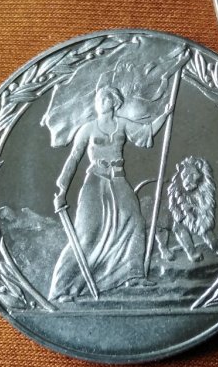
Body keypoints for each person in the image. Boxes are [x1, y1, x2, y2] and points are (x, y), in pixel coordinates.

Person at [49, 84, 171, 302]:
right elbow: (73, 158)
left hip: (118, 180)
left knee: (135, 222)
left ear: (114, 102)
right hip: (95, 182)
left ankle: (134, 276)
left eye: (104, 99)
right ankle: (61, 289)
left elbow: (146, 132)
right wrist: (62, 190)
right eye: (98, 99)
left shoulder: (122, 124)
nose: (100, 103)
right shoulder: (88, 128)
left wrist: (166, 114)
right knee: (86, 234)